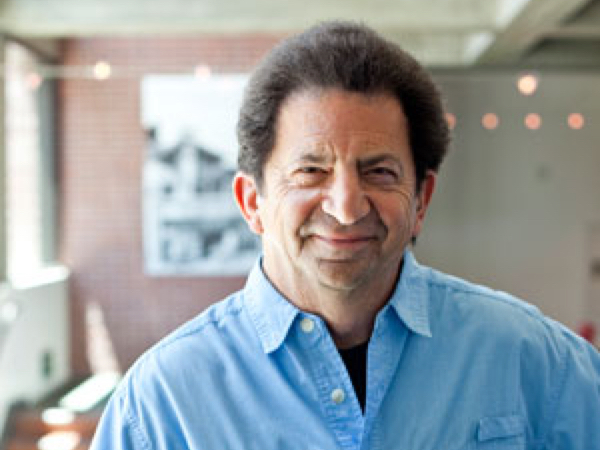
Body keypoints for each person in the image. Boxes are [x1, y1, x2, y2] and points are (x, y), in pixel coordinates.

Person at [90, 22, 600, 449]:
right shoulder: (160, 407)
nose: (347, 206)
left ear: (421, 200)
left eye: (379, 171)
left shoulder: (535, 363)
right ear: (252, 203)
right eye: (310, 171)